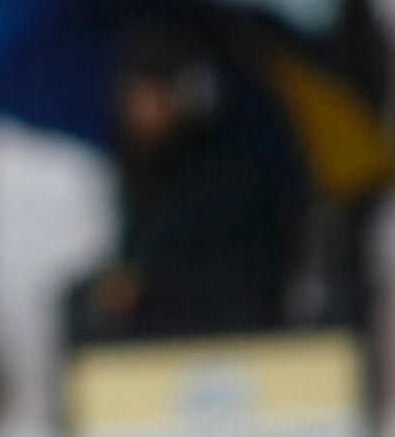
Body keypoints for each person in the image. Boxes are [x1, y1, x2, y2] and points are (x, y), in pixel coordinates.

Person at [72, 25, 308, 340]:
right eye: (133, 96)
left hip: (220, 325)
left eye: (153, 95)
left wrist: (149, 282)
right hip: (157, 331)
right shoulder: (136, 168)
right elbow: (133, 253)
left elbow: (246, 263)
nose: (142, 110)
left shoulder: (224, 167)